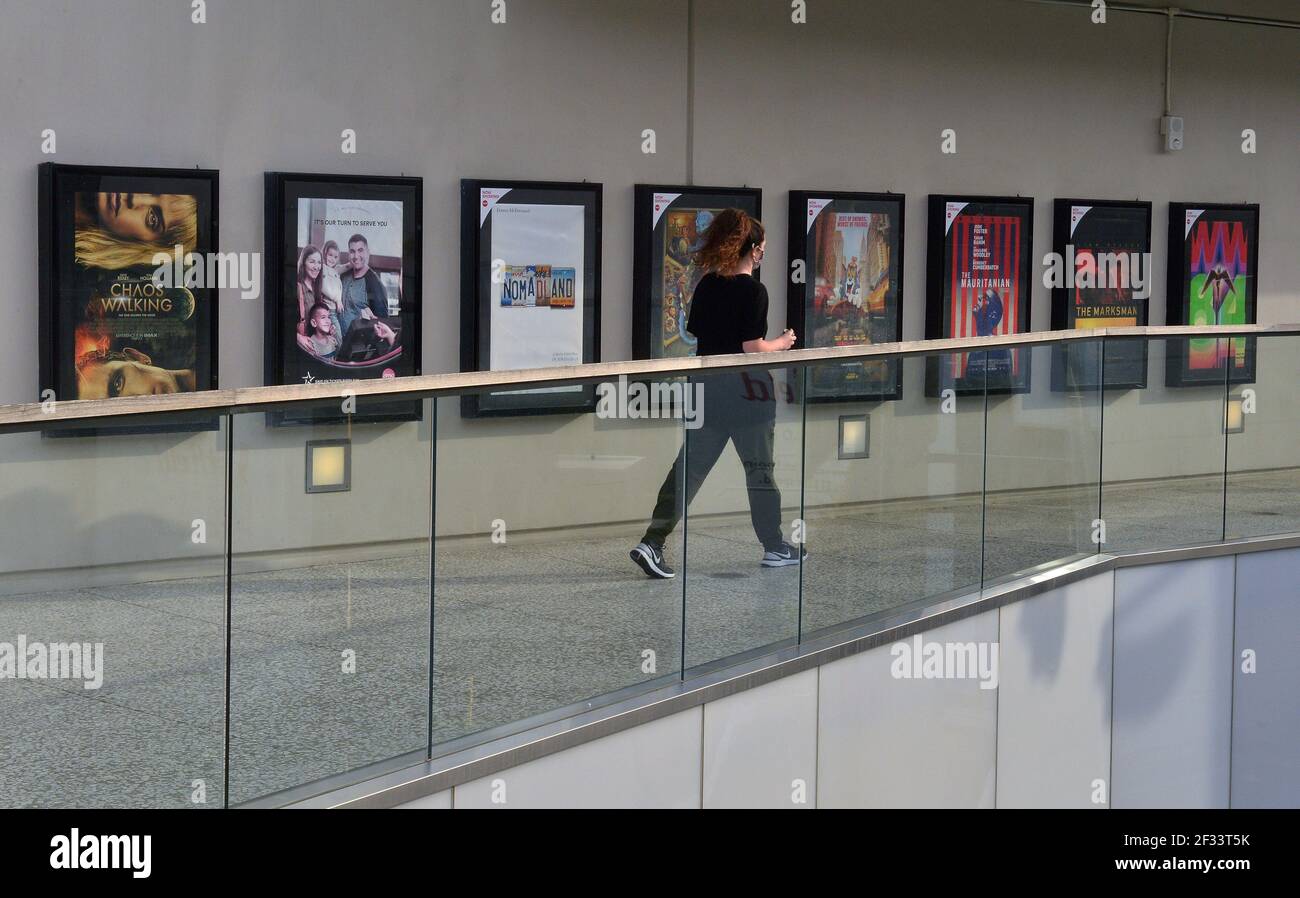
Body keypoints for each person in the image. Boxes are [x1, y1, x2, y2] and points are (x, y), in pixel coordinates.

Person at [631, 208, 805, 579]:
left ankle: (653, 541)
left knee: (687, 470)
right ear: (753, 249)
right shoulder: (755, 292)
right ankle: (774, 546)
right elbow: (752, 348)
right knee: (759, 471)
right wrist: (783, 342)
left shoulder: (707, 285)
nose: (762, 256)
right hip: (748, 395)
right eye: (762, 250)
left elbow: (698, 335)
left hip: (706, 391)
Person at [338, 233, 389, 337]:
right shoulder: (343, 276)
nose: (356, 256)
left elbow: (382, 325)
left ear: (368, 253)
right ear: (348, 254)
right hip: (337, 343)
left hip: (357, 347)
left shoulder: (375, 284)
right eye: (352, 251)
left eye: (360, 250)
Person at [296, 245, 324, 332]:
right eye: (312, 262)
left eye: (319, 262)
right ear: (303, 263)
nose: (316, 267)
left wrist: (328, 328)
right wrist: (298, 337)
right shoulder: (297, 287)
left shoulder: (317, 287)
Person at [319, 240, 345, 316]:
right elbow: (325, 287)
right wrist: (338, 300)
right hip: (327, 309)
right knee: (337, 328)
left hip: (334, 309)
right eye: (330, 255)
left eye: (335, 257)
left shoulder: (334, 271)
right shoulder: (323, 268)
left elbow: (345, 267)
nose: (332, 259)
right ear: (324, 254)